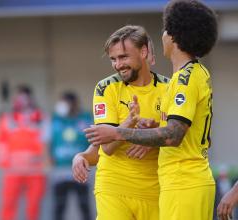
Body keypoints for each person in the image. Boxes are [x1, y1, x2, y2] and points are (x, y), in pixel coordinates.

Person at [84, 1, 218, 219]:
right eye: (114, 59)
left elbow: (174, 134)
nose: (162, 35)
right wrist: (151, 131)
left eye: (166, 29)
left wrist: (120, 132)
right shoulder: (185, 76)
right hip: (175, 181)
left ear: (175, 36)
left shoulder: (184, 79)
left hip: (183, 181)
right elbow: (189, 133)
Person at [73, 25, 169, 220]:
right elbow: (107, 147)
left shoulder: (170, 88)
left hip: (157, 190)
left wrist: (154, 136)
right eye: (113, 59)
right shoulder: (106, 88)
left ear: (143, 52)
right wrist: (130, 123)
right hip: (113, 188)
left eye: (123, 57)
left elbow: (181, 138)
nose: (118, 64)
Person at [0, 85, 47, 220]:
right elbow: (1, 141)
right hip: (13, 170)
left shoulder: (41, 118)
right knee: (8, 204)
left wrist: (45, 160)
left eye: (24, 96)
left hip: (36, 169)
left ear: (30, 98)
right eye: (18, 96)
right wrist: (4, 162)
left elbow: (47, 141)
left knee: (34, 206)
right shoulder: (7, 118)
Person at [48, 91, 92, 220]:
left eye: (65, 102)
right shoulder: (55, 119)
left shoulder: (86, 118)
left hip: (80, 169)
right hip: (60, 170)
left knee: (84, 205)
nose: (62, 105)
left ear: (73, 103)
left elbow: (93, 142)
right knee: (59, 206)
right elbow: (47, 141)